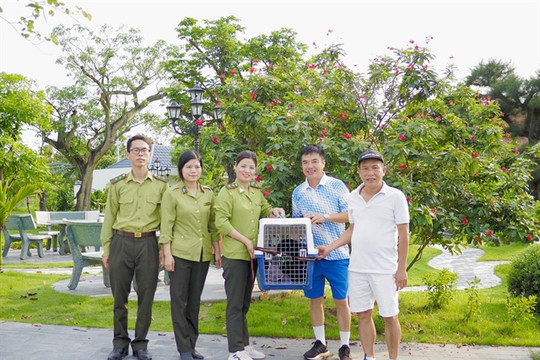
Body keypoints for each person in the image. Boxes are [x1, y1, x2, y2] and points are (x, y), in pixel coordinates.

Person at [318, 149, 410, 360]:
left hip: (385, 269)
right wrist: (330, 247)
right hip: (358, 268)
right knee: (363, 315)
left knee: (390, 316)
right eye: (366, 168)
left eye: (375, 168)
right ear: (359, 172)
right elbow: (353, 228)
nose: (371, 173)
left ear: (383, 170)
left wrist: (401, 268)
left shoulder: (396, 197)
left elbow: (404, 235)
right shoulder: (352, 197)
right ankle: (370, 356)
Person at [100, 135, 169, 360]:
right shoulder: (117, 185)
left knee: (146, 296)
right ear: (128, 154)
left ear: (150, 154)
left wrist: (162, 248)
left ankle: (140, 344)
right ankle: (119, 343)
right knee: (120, 297)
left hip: (148, 244)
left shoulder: (161, 187)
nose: (140, 154)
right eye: (136, 150)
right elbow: (109, 219)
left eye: (144, 150)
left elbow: (166, 221)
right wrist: (107, 249)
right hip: (121, 242)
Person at [214, 150, 286, 360]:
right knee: (235, 303)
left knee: (244, 302)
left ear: (255, 171)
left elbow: (266, 210)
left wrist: (275, 211)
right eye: (243, 166)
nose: (247, 170)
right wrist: (245, 240)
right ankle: (235, 350)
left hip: (252, 257)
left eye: (251, 167)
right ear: (236, 167)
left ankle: (244, 345)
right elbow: (221, 222)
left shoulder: (256, 193)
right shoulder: (227, 192)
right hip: (235, 255)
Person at [291, 144, 352, 360]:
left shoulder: (337, 186)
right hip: (311, 257)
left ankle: (345, 346)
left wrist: (325, 216)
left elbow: (350, 216)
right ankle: (320, 344)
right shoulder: (298, 192)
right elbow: (297, 226)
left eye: (314, 161)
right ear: (301, 166)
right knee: (314, 299)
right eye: (305, 162)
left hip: (337, 254)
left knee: (341, 300)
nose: (310, 166)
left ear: (323, 163)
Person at [160, 150, 222, 360]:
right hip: (180, 254)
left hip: (202, 255)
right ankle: (183, 349)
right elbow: (166, 226)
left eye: (197, 166)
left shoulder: (209, 194)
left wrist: (217, 251)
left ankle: (192, 345)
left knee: (194, 302)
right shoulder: (172, 193)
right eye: (189, 167)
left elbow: (213, 225)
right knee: (179, 302)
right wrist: (167, 255)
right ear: (181, 170)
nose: (193, 170)